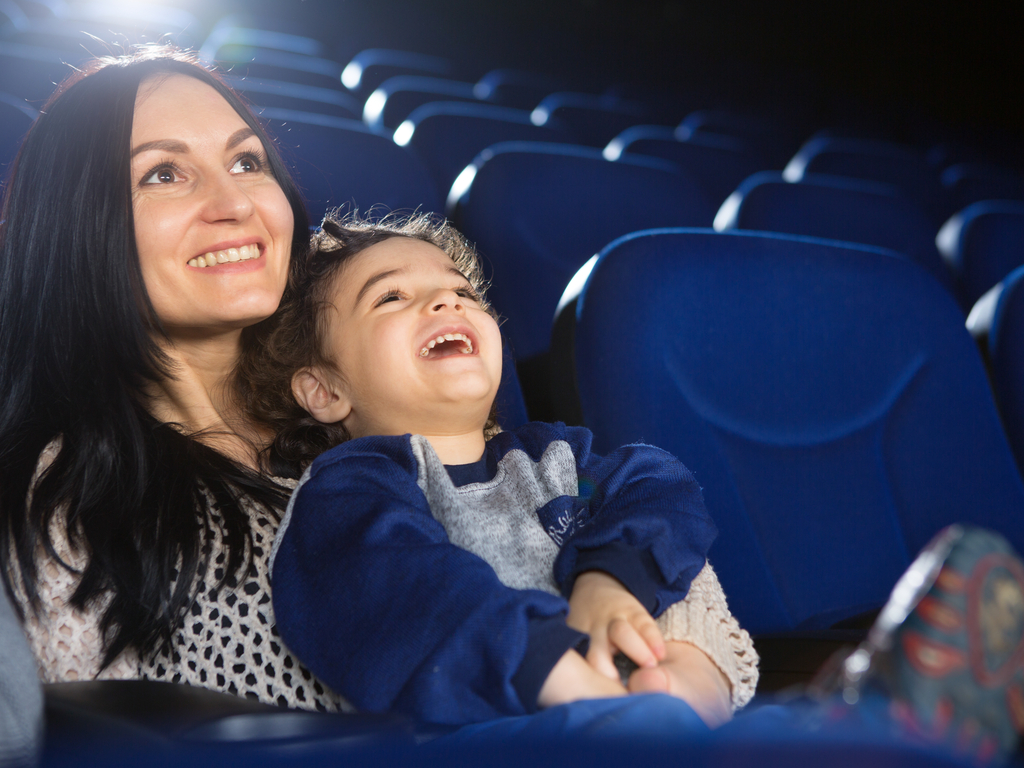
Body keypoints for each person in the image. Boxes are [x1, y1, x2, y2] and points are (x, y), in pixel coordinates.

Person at [251, 211, 759, 726]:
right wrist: (559, 673)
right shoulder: (349, 489)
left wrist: (608, 581)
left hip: (629, 683)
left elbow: (656, 485)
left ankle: (686, 706)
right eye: (391, 297)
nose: (447, 301)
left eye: (464, 293)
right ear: (325, 390)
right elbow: (404, 591)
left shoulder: (554, 455)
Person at [0, 45, 346, 712]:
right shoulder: (64, 500)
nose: (233, 204)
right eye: (164, 174)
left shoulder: (364, 410)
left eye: (248, 162)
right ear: (78, 227)